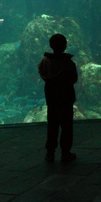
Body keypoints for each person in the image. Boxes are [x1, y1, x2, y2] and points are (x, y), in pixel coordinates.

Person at [38, 33, 78, 162]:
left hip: (52, 100)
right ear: (65, 46)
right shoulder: (68, 62)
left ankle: (50, 153)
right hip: (65, 100)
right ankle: (66, 153)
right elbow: (74, 79)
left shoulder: (45, 61)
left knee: (52, 126)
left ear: (50, 45)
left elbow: (42, 73)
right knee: (66, 127)